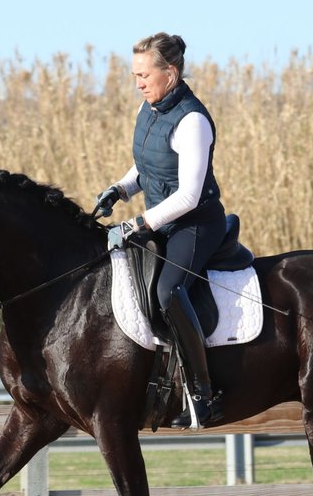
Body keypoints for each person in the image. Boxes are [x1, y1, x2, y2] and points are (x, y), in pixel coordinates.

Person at [97, 33, 227, 429]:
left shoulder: (192, 121)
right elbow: (148, 166)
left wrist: (138, 223)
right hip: (161, 220)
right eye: (134, 74)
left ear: (169, 73)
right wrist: (120, 189)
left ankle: (204, 395)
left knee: (168, 291)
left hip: (195, 224)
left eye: (144, 74)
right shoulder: (149, 109)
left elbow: (188, 194)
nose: (138, 82)